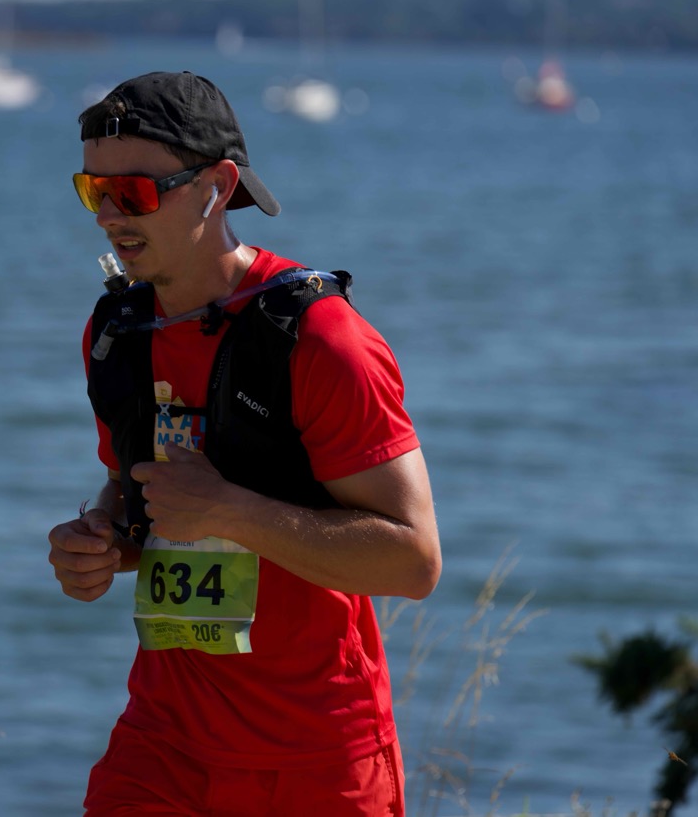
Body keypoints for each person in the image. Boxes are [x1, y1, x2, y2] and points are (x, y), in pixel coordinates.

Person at [48, 70, 441, 817]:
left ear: (217, 187)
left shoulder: (322, 340)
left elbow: (414, 559)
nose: (108, 216)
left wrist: (228, 509)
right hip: (162, 745)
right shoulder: (117, 333)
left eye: (133, 192)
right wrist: (101, 538)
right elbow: (140, 495)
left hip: (316, 757)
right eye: (94, 191)